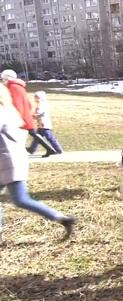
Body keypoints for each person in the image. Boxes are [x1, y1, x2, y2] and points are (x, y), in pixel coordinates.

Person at [0, 83, 75, 241]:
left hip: (9, 164)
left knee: (21, 200)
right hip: (9, 162)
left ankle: (63, 219)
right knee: (20, 199)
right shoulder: (9, 111)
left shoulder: (2, 112)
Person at [1, 69, 56, 157]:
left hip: (20, 115)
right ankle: (48, 149)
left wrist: (16, 116)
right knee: (33, 133)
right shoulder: (19, 87)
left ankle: (48, 149)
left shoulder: (13, 87)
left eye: (3, 78)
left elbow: (16, 103)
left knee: (29, 134)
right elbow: (27, 103)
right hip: (24, 114)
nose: (2, 80)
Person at [27, 91, 63, 155]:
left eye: (36, 97)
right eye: (35, 97)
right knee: (37, 138)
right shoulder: (39, 104)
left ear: (40, 98)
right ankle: (32, 149)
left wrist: (34, 115)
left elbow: (41, 114)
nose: (35, 98)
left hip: (44, 124)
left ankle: (58, 149)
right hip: (40, 124)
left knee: (50, 137)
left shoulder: (43, 104)